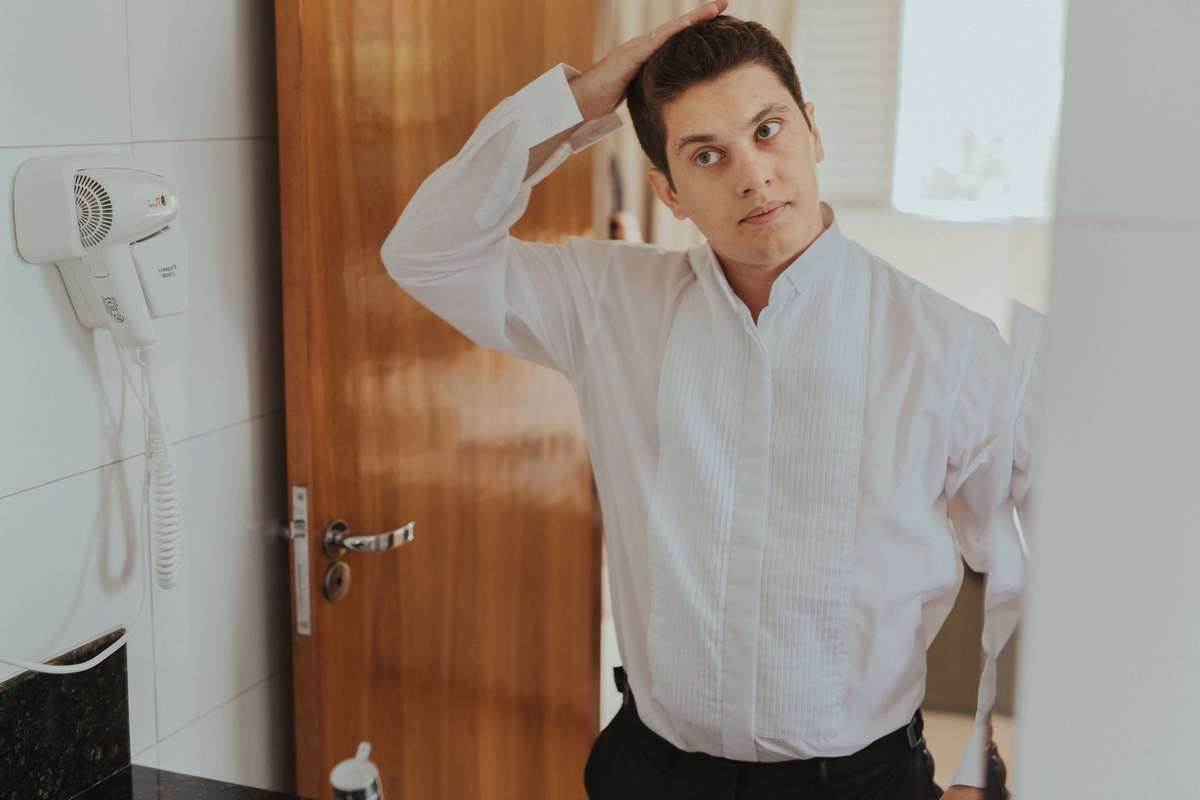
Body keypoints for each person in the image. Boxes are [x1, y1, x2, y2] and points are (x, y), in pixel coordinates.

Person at [380, 3, 1022, 797]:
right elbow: (427, 254)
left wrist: (980, 768)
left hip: (862, 782)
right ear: (669, 191)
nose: (753, 175)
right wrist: (577, 103)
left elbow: (1031, 569)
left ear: (813, 132)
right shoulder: (608, 303)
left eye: (768, 130)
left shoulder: (951, 347)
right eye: (707, 155)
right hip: (651, 773)